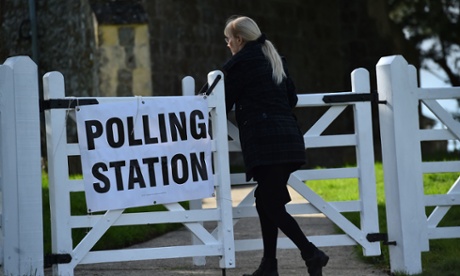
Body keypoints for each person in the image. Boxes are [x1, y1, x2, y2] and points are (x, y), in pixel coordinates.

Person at [221, 15, 329, 276]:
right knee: (265, 201)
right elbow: (290, 97)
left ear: (238, 39)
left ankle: (311, 253)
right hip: (289, 140)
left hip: (266, 144)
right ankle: (269, 265)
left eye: (228, 39)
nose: (227, 45)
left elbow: (220, 102)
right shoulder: (275, 59)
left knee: (269, 204)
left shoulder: (239, 64)